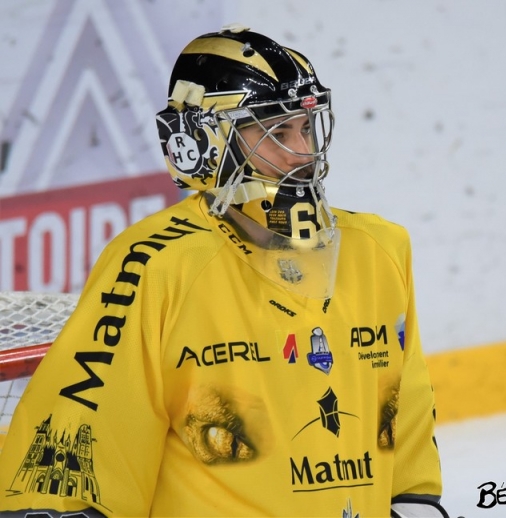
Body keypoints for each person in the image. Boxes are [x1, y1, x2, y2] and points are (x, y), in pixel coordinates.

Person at [0, 24, 448, 518]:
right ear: (202, 144)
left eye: (306, 127)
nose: (302, 153)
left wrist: (415, 503)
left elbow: (402, 413)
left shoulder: (379, 251)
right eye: (277, 132)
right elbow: (85, 431)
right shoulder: (153, 263)